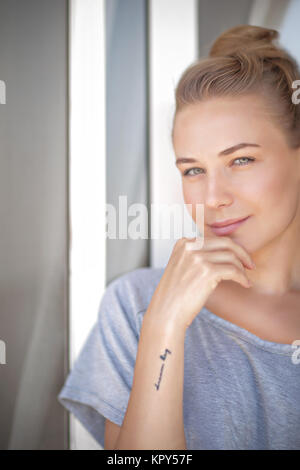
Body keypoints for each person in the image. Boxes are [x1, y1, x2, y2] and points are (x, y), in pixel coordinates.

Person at [57, 25, 300, 450]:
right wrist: (163, 325)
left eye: (241, 159)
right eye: (192, 170)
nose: (212, 197)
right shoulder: (135, 304)